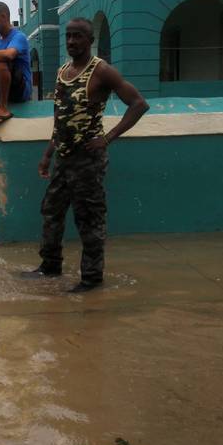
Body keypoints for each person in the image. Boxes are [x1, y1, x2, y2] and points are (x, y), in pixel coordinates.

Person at [26, 17, 150, 293]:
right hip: (63, 157)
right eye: (68, 36)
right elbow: (60, 119)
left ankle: (92, 279)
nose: (71, 41)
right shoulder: (61, 72)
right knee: (51, 212)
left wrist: (107, 138)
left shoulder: (102, 71)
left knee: (89, 219)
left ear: (89, 40)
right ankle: (50, 267)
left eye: (78, 36)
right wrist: (47, 155)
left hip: (87, 161)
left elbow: (139, 104)